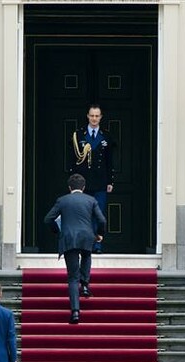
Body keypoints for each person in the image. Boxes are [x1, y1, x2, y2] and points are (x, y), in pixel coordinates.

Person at [44, 173, 106, 324]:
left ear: (69, 187)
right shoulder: (91, 200)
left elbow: (48, 219)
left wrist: (58, 232)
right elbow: (101, 219)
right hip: (87, 236)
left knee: (72, 277)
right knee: (86, 256)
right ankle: (85, 285)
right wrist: (99, 234)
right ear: (83, 187)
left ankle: (75, 312)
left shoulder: (62, 200)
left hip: (69, 238)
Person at [69, 104, 114, 253]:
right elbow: (72, 159)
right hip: (83, 182)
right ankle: (84, 243)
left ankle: (97, 244)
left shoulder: (106, 135)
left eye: (97, 116)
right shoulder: (79, 135)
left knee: (98, 213)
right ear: (87, 116)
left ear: (101, 117)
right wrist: (73, 182)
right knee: (83, 213)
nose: (94, 118)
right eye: (92, 115)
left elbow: (110, 160)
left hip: (100, 181)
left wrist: (110, 181)